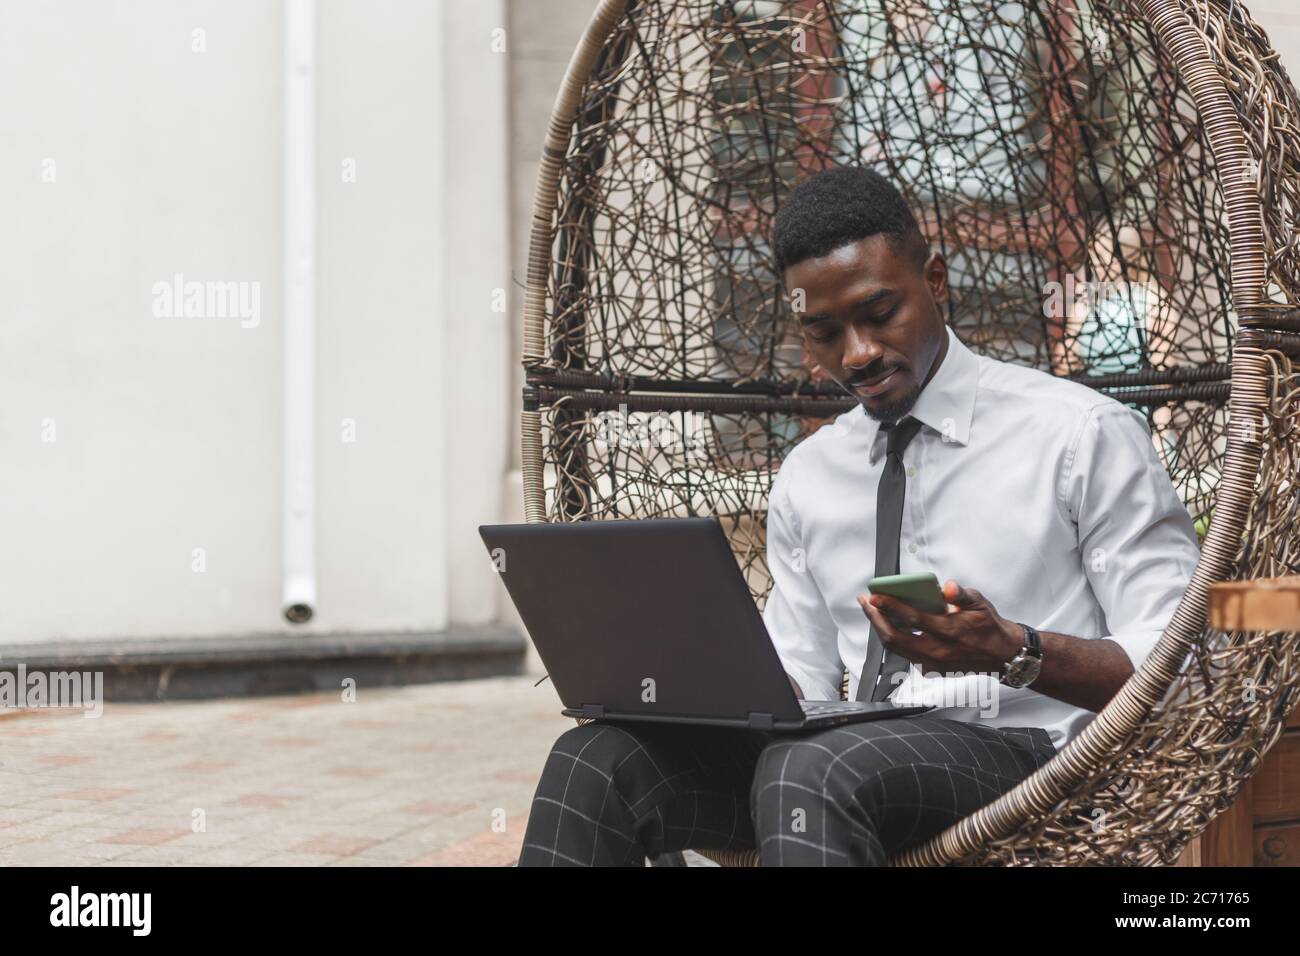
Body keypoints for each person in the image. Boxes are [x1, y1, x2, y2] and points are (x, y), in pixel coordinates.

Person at [516, 165, 1200, 867]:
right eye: (824, 332)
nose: (859, 354)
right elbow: (801, 678)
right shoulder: (812, 475)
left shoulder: (1079, 435)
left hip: (1030, 759)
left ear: (935, 281)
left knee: (810, 772)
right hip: (842, 762)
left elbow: (1182, 667)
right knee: (596, 762)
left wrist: (1014, 651)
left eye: (879, 316)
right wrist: (680, 689)